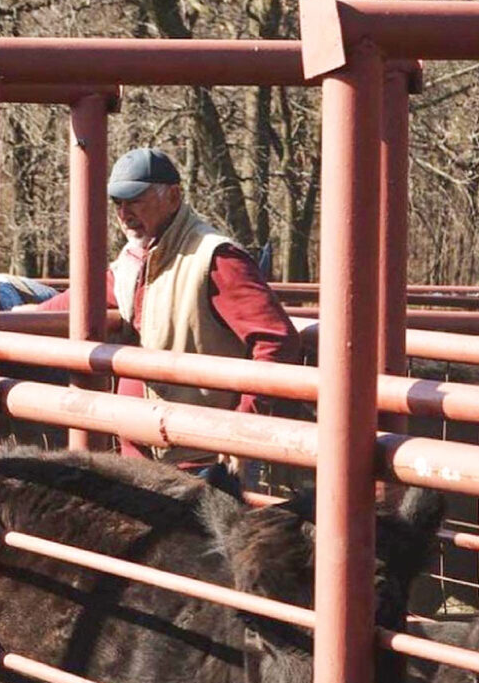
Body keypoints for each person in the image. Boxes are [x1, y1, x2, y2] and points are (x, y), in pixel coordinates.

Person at [38, 147, 301, 476]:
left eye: (135, 200)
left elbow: (276, 339)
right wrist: (25, 313)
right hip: (146, 455)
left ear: (173, 197)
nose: (124, 213)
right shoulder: (136, 260)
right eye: (118, 203)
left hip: (199, 459)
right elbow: (82, 298)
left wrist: (243, 426)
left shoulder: (216, 259)